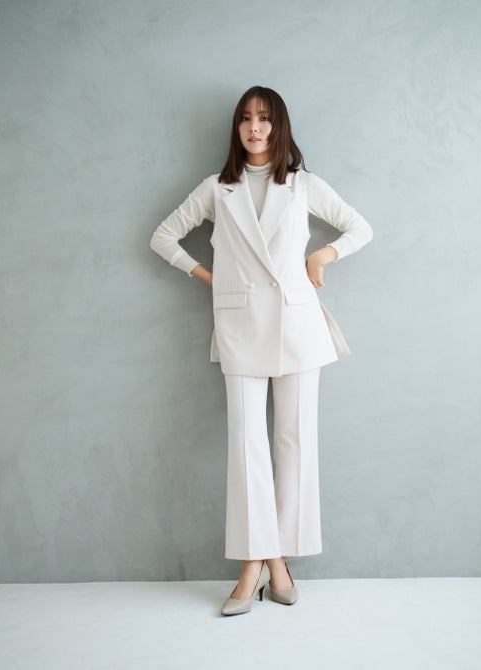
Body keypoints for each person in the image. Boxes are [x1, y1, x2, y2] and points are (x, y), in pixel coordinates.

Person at [149, 85, 373, 616]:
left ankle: (277, 560)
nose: (255, 127)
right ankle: (257, 564)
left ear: (279, 126)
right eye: (246, 118)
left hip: (298, 324)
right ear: (237, 127)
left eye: (265, 118)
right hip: (241, 324)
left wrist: (322, 257)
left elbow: (360, 228)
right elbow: (162, 237)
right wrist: (210, 278)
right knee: (247, 445)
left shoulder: (303, 185)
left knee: (294, 443)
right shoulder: (216, 188)